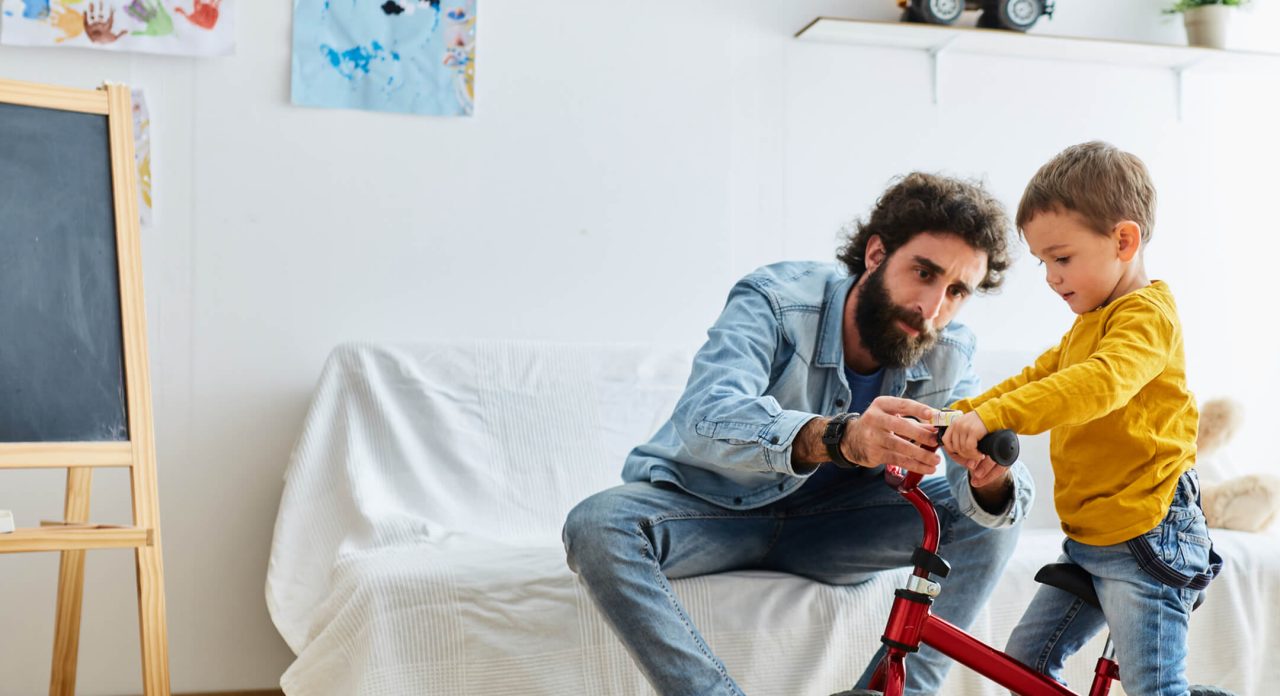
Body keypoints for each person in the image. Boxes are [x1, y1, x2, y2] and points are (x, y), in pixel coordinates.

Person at [562, 172, 1035, 695]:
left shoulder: (949, 350)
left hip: (835, 531)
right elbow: (706, 412)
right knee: (598, 524)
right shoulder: (775, 299)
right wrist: (839, 438)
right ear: (876, 254)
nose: (932, 308)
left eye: (957, 291)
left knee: (996, 522)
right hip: (712, 509)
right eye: (923, 272)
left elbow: (983, 494)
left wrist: (989, 479)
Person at [943, 141, 1221, 696]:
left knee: (1155, 687)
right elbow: (1036, 378)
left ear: (1123, 241)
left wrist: (997, 415)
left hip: (1146, 534)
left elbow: (1099, 384)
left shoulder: (1146, 318)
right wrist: (956, 413)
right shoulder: (1089, 323)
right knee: (1024, 666)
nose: (1050, 276)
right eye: (1043, 262)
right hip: (1091, 539)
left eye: (1062, 258)